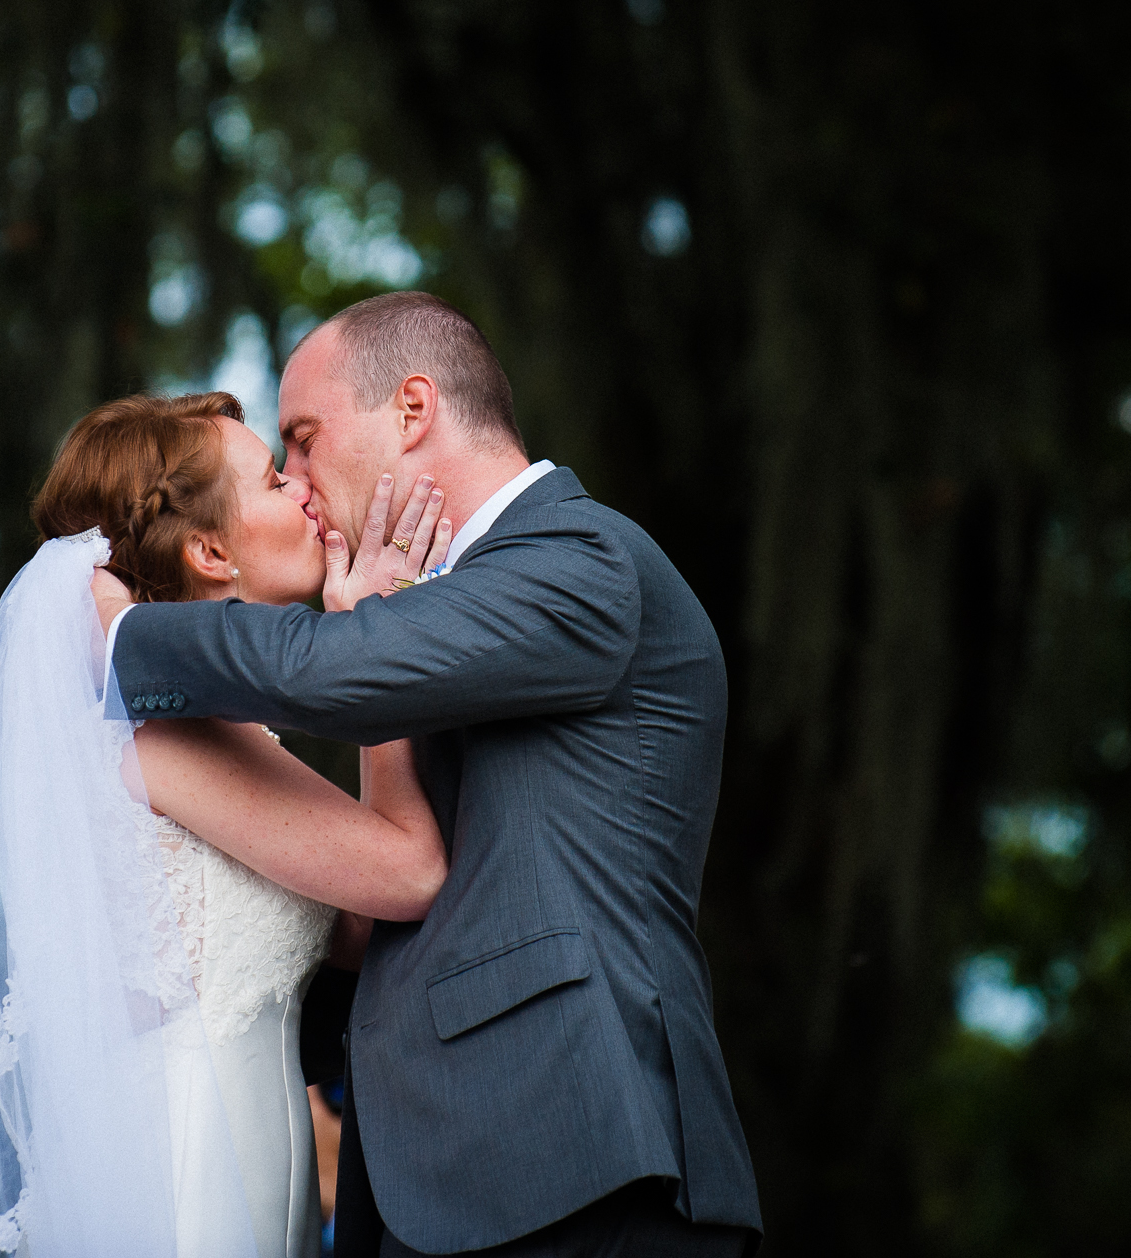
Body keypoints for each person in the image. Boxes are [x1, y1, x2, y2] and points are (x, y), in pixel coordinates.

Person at [92, 292, 763, 1258]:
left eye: (307, 440)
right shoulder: (438, 617)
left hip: (579, 1157)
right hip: (433, 1184)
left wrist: (116, 632)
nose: (303, 484)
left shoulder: (579, 557)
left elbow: (329, 673)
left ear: (412, 410)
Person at [0, 391, 455, 1258]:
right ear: (210, 552)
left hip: (249, 1163)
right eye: (271, 480)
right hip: (194, 1181)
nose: (302, 490)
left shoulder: (209, 729)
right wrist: (382, 631)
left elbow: (358, 922)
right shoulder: (166, 739)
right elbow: (410, 875)